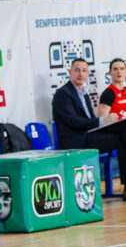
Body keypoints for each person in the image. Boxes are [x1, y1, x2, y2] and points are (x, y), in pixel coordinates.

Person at [53, 58, 126, 201]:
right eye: (77, 70)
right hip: (76, 141)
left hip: (87, 136)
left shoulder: (84, 94)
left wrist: (104, 123)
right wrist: (101, 121)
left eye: (84, 71)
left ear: (88, 74)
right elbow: (73, 121)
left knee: (124, 130)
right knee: (122, 137)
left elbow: (89, 121)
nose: (80, 74)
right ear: (69, 72)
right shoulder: (63, 93)